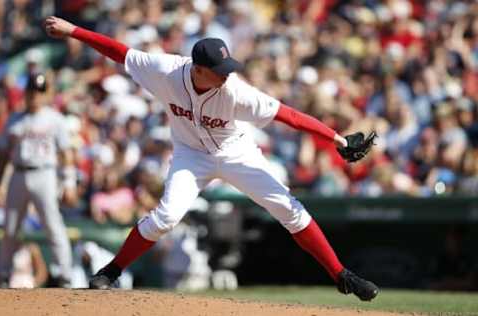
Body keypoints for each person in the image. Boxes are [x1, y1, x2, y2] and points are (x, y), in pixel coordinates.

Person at [44, 16, 379, 301]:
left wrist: (335, 138)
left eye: (227, 67)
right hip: (191, 155)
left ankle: (340, 275)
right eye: (219, 69)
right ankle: (111, 270)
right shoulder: (166, 71)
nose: (226, 74)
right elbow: (119, 52)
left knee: (289, 210)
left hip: (237, 153)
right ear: (198, 69)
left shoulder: (236, 92)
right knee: (165, 217)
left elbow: (288, 115)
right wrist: (74, 31)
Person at [0, 72, 76, 287]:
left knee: (53, 225)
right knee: (11, 228)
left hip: (45, 174)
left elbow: (66, 153)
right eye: (32, 91)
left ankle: (64, 274)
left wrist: (69, 182)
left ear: (46, 94)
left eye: (39, 92)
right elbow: (3, 153)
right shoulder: (15, 118)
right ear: (26, 92)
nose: (35, 96)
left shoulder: (55, 118)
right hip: (19, 174)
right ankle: (3, 274)